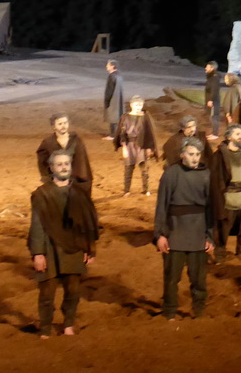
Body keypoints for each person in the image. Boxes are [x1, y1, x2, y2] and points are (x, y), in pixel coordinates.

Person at [28, 150, 100, 339]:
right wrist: (38, 253)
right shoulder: (41, 194)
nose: (64, 167)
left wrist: (89, 248)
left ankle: (68, 324)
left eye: (67, 163)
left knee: (73, 291)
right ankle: (45, 328)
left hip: (74, 248)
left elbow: (88, 223)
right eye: (59, 164)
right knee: (46, 293)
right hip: (50, 248)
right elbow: (37, 225)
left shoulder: (80, 193)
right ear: (51, 168)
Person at [154, 138, 214, 320]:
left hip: (197, 232)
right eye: (190, 154)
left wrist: (210, 237)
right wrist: (160, 235)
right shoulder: (171, 174)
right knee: (172, 279)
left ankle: (199, 311)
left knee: (199, 279)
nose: (195, 158)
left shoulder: (206, 175)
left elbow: (211, 209)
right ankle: (170, 311)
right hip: (175, 233)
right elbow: (161, 206)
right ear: (182, 155)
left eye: (197, 154)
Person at [210, 124, 241, 263]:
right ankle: (220, 256)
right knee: (222, 228)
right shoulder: (218, 156)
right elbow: (214, 179)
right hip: (226, 197)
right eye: (238, 134)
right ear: (229, 136)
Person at [36, 113, 93, 197]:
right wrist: (48, 178)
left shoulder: (77, 141)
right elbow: (42, 162)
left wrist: (83, 180)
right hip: (57, 181)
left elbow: (83, 163)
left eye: (65, 123)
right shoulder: (48, 143)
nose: (63, 126)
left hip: (76, 181)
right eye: (60, 124)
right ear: (54, 127)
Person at [114, 95, 159, 196]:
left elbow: (149, 133)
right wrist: (124, 148)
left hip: (142, 145)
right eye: (136, 104)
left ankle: (146, 189)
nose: (138, 106)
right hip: (129, 145)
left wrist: (149, 148)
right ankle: (127, 190)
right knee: (128, 169)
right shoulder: (125, 117)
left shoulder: (145, 117)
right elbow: (122, 133)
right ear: (131, 105)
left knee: (145, 169)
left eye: (140, 104)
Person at [103, 59, 123, 140]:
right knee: (117, 116)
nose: (106, 66)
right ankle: (118, 133)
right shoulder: (119, 75)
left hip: (113, 99)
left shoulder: (111, 76)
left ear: (112, 66)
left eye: (108, 65)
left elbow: (109, 90)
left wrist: (107, 101)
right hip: (118, 99)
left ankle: (113, 135)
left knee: (112, 117)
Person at [204, 61, 221, 141]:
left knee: (214, 117)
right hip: (212, 100)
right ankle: (214, 133)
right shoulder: (212, 77)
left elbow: (214, 90)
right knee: (212, 117)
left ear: (212, 68)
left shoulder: (214, 77)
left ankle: (215, 134)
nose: (205, 68)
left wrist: (211, 100)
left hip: (214, 102)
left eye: (207, 67)